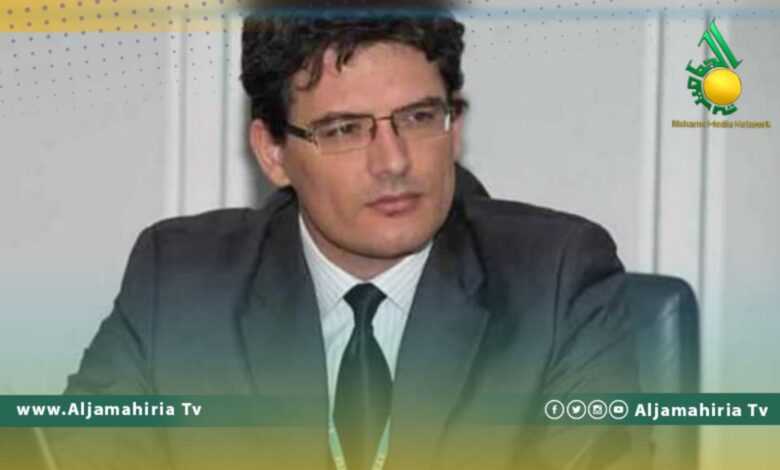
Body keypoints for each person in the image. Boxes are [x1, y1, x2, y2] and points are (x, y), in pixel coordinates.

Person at [50, 2, 647, 469]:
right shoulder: (180, 282)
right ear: (272, 152)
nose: (393, 161)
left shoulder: (556, 281)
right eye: (343, 130)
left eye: (419, 117)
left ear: (455, 126)